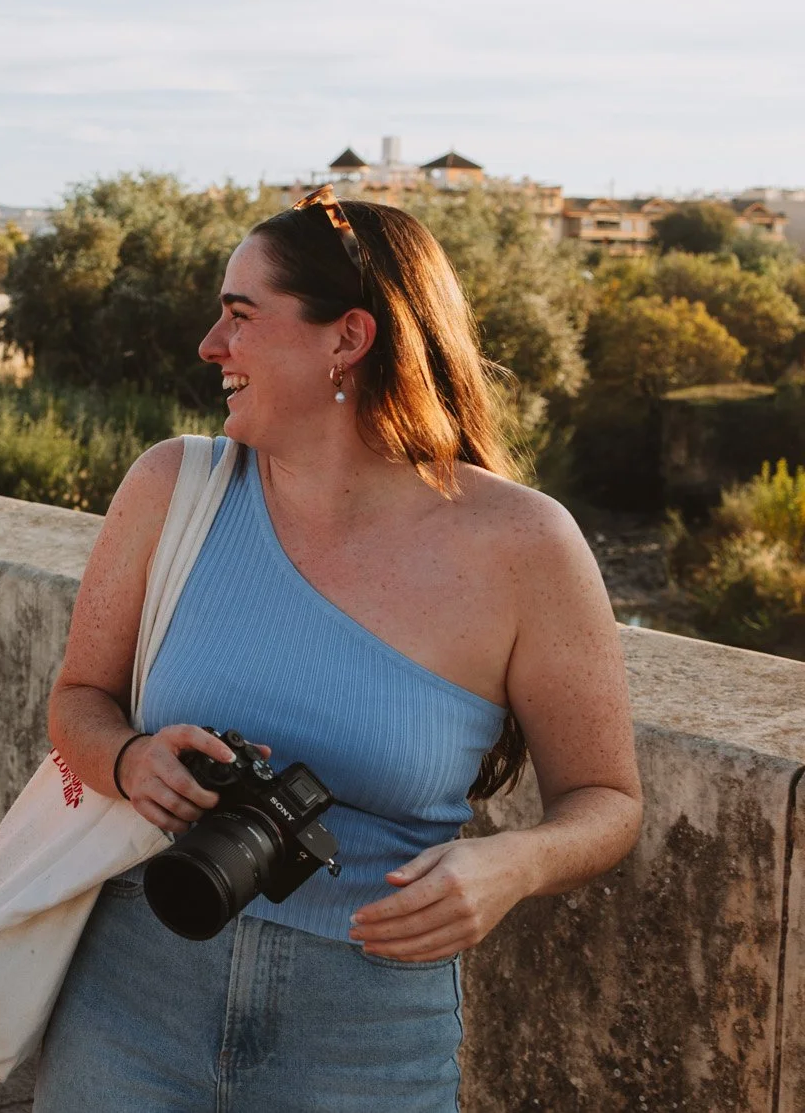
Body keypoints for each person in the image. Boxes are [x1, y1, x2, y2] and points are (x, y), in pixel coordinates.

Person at [36, 186, 642, 1112]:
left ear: (347, 339)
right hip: (133, 982)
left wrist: (511, 865)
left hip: (367, 1029)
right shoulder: (173, 486)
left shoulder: (526, 545)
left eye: (240, 316)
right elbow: (78, 695)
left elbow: (608, 800)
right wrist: (126, 757)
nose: (210, 345)